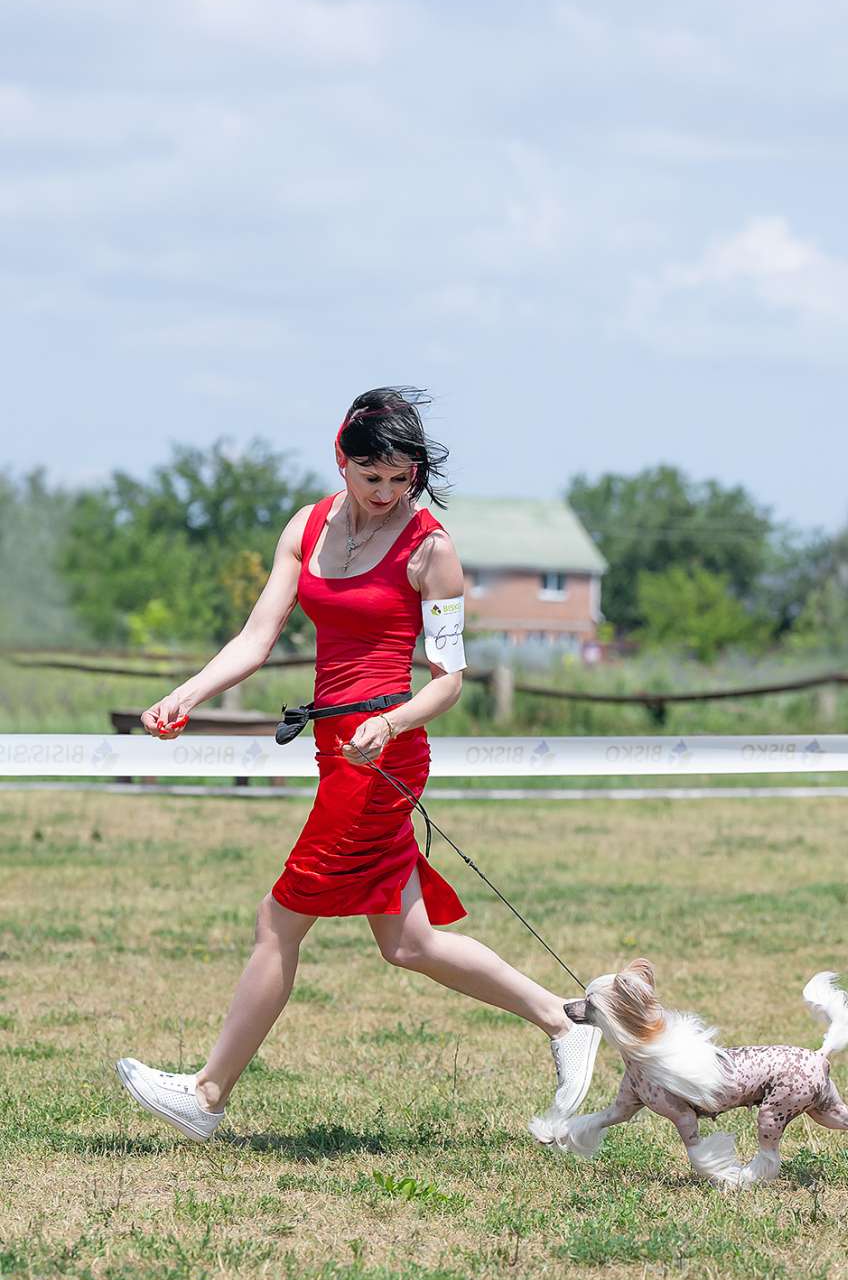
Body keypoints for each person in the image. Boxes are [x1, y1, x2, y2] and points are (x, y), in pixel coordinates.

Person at [115, 386, 600, 1143]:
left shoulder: (433, 550)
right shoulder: (304, 527)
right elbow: (257, 636)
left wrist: (391, 720)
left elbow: (448, 678)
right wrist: (185, 694)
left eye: (400, 480)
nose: (385, 494)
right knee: (408, 942)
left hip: (383, 754)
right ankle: (565, 1020)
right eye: (371, 477)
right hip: (333, 747)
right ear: (341, 458)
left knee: (279, 918)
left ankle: (207, 1095)